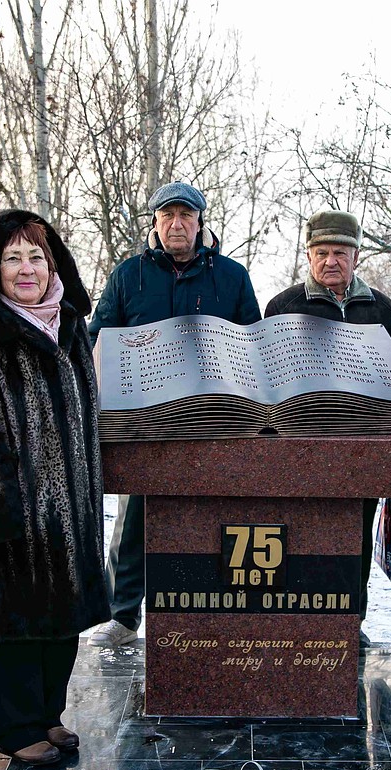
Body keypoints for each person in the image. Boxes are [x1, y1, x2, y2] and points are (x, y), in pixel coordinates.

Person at [0, 209, 110, 766]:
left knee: (62, 622)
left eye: (36, 256)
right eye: (12, 258)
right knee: (14, 625)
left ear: (54, 262)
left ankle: (47, 715)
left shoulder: (70, 326)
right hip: (5, 508)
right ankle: (17, 730)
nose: (26, 268)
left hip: (71, 508)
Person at [87, 181, 261, 650]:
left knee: (211, 515)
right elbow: (99, 339)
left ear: (201, 222)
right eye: (167, 216)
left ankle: (210, 612)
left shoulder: (231, 276)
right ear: (155, 224)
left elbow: (253, 343)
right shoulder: (128, 276)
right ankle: (122, 614)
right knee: (133, 521)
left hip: (215, 418)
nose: (177, 224)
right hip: (145, 421)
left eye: (185, 215)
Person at [264, 210, 391, 645]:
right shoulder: (284, 305)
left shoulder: (380, 307)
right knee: (300, 531)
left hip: (362, 443)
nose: (331, 261)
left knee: (354, 535)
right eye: (321, 252)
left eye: (340, 252)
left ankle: (350, 622)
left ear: (356, 257)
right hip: (302, 443)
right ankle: (300, 619)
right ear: (308, 255)